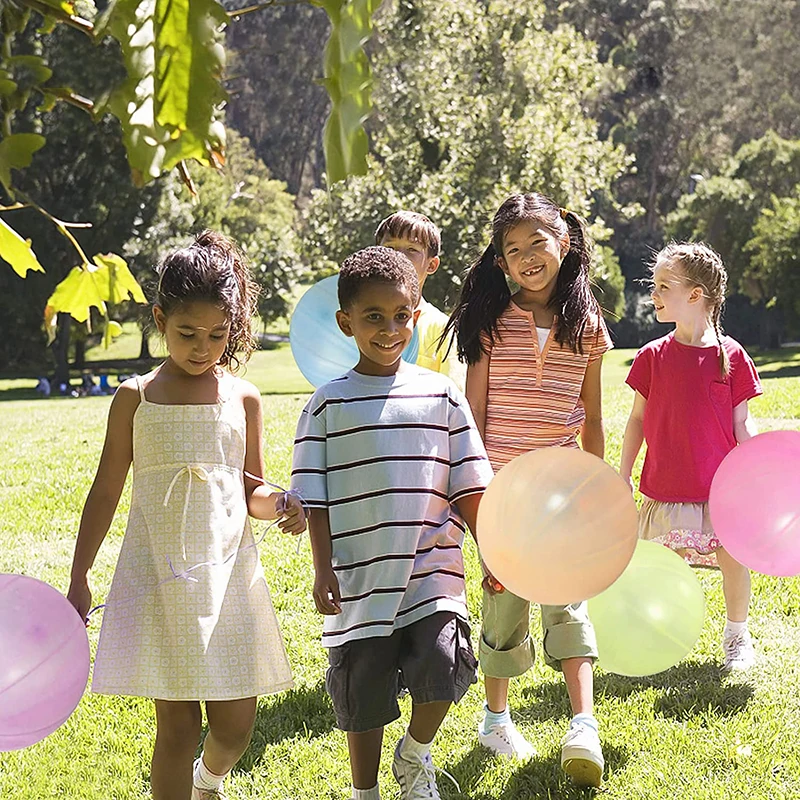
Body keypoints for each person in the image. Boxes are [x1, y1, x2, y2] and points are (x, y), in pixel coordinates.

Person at [66, 230, 307, 800]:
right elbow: (105, 490)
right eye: (187, 334)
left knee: (235, 722)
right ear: (159, 320)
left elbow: (250, 486)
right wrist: (80, 573)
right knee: (176, 728)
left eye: (217, 335)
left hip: (227, 578)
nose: (202, 347)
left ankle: (209, 780)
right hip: (162, 578)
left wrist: (278, 503)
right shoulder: (136, 397)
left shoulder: (242, 398)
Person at [290, 246, 494, 800]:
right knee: (364, 692)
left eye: (401, 315)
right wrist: (321, 570)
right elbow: (316, 499)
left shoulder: (443, 394)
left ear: (417, 313)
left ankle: (416, 753)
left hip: (434, 568)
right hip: (359, 580)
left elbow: (470, 484)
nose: (389, 328)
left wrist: (493, 553)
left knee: (446, 661)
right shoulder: (326, 407)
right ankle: (367, 791)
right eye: (373, 317)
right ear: (345, 322)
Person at [442, 192, 612, 787]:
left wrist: (600, 487)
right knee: (504, 603)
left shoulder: (589, 325)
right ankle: (495, 717)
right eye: (512, 250)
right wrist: (474, 494)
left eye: (537, 242)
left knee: (567, 598)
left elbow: (591, 418)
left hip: (563, 491)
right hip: (502, 493)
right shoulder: (489, 323)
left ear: (563, 241)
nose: (526, 257)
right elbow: (473, 414)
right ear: (501, 264)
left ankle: (582, 723)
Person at [619, 241, 762, 671]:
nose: (654, 295)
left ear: (695, 295)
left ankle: (737, 635)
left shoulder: (731, 357)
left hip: (719, 489)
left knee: (732, 560)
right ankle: (662, 634)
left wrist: (758, 471)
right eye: (654, 286)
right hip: (667, 487)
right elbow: (637, 421)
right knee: (665, 567)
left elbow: (742, 425)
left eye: (664, 286)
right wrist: (623, 473)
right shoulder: (652, 357)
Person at [375, 211, 465, 387]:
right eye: (390, 248)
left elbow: (454, 396)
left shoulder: (442, 329)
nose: (399, 256)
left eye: (411, 249)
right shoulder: (360, 320)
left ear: (431, 265)